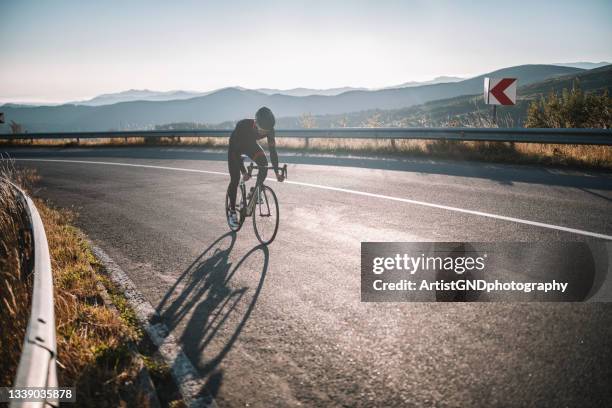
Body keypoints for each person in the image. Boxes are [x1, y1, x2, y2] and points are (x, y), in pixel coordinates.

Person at [227, 106, 284, 228]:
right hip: (236, 147)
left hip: (250, 145)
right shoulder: (243, 126)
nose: (264, 133)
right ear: (256, 123)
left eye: (267, 130)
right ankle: (232, 211)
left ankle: (255, 191)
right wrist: (243, 172)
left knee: (264, 164)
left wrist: (276, 172)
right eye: (262, 130)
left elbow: (273, 152)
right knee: (235, 179)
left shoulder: (270, 130)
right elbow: (236, 153)